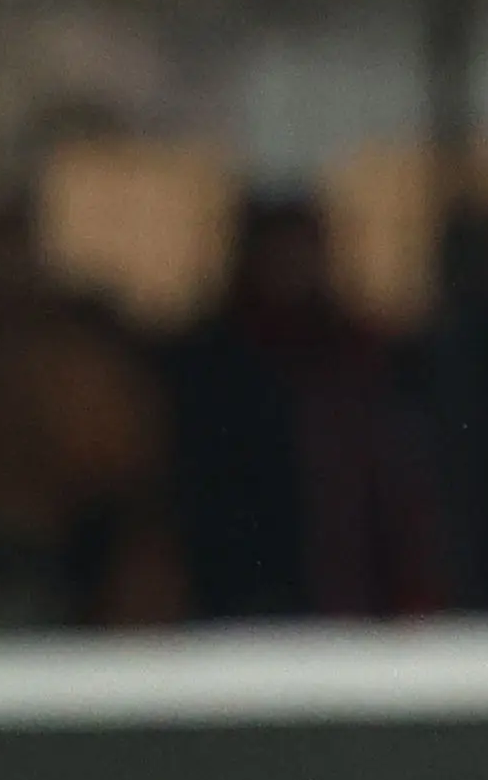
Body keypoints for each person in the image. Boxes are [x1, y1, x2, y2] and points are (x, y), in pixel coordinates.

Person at [0, 203, 181, 629]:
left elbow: (131, 478)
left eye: (19, 264)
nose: (8, 278)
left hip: (76, 570)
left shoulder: (81, 373)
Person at [169, 199, 449, 620]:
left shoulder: (358, 358)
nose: (291, 268)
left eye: (301, 251)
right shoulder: (212, 367)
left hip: (358, 595)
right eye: (278, 252)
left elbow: (393, 487)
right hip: (242, 596)